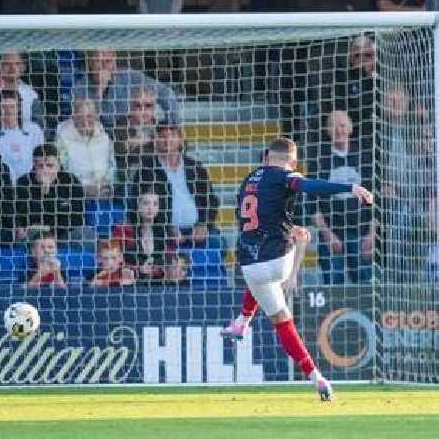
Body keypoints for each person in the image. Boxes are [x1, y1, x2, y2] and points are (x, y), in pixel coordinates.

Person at [221, 137, 373, 401]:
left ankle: (244, 323)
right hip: (279, 261)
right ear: (292, 161)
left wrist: (286, 227)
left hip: (248, 264)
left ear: (267, 155)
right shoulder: (286, 175)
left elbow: (251, 218)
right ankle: (293, 277)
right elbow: (310, 186)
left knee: (281, 319)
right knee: (302, 235)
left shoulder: (248, 180)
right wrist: (350, 187)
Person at [308, 109, 373, 284]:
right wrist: (327, 234)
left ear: (351, 128)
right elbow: (312, 203)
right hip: (331, 233)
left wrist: (372, 234)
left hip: (360, 233)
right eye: (334, 126)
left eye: (343, 125)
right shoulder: (320, 160)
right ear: (327, 131)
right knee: (332, 288)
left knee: (365, 287)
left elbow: (375, 200)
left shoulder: (364, 157)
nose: (339, 130)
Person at [132, 123, 220, 249]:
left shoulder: (195, 167)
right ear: (155, 141)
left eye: (172, 136)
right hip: (163, 232)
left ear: (180, 139)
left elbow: (211, 201)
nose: (167, 140)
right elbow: (140, 205)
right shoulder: (146, 170)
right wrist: (167, 228)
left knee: (217, 243)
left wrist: (203, 225)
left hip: (197, 229)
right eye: (162, 137)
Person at [73, 49, 179, 130]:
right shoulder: (79, 88)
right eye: (98, 61)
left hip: (130, 136)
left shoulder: (129, 76)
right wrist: (99, 90)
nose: (103, 66)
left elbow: (166, 93)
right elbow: (88, 123)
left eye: (108, 61)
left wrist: (171, 127)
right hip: (99, 141)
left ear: (114, 62)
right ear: (90, 62)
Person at [14, 144, 85, 242]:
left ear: (58, 165)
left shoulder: (71, 181)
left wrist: (49, 228)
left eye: (50, 166)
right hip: (35, 236)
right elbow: (24, 219)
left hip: (64, 234)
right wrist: (43, 194)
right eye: (40, 166)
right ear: (34, 166)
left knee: (84, 233)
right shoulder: (23, 183)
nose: (45, 170)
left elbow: (77, 219)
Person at [56, 98, 115, 198]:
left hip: (104, 191)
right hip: (76, 193)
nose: (85, 121)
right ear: (74, 117)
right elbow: (63, 170)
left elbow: (112, 166)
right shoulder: (62, 139)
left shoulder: (105, 137)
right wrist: (83, 188)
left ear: (96, 116)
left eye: (89, 116)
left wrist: (105, 185)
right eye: (80, 117)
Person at [111, 184, 170, 282]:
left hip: (159, 285)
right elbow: (113, 261)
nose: (150, 208)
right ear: (138, 205)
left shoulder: (164, 233)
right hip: (129, 284)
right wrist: (138, 269)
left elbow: (169, 262)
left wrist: (155, 269)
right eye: (146, 203)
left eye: (155, 204)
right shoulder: (122, 231)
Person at [0, 89, 44, 184]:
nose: (8, 111)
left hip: (31, 184)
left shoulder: (34, 130)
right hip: (2, 184)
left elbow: (41, 159)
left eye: (12, 107)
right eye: (4, 107)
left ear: (19, 108)